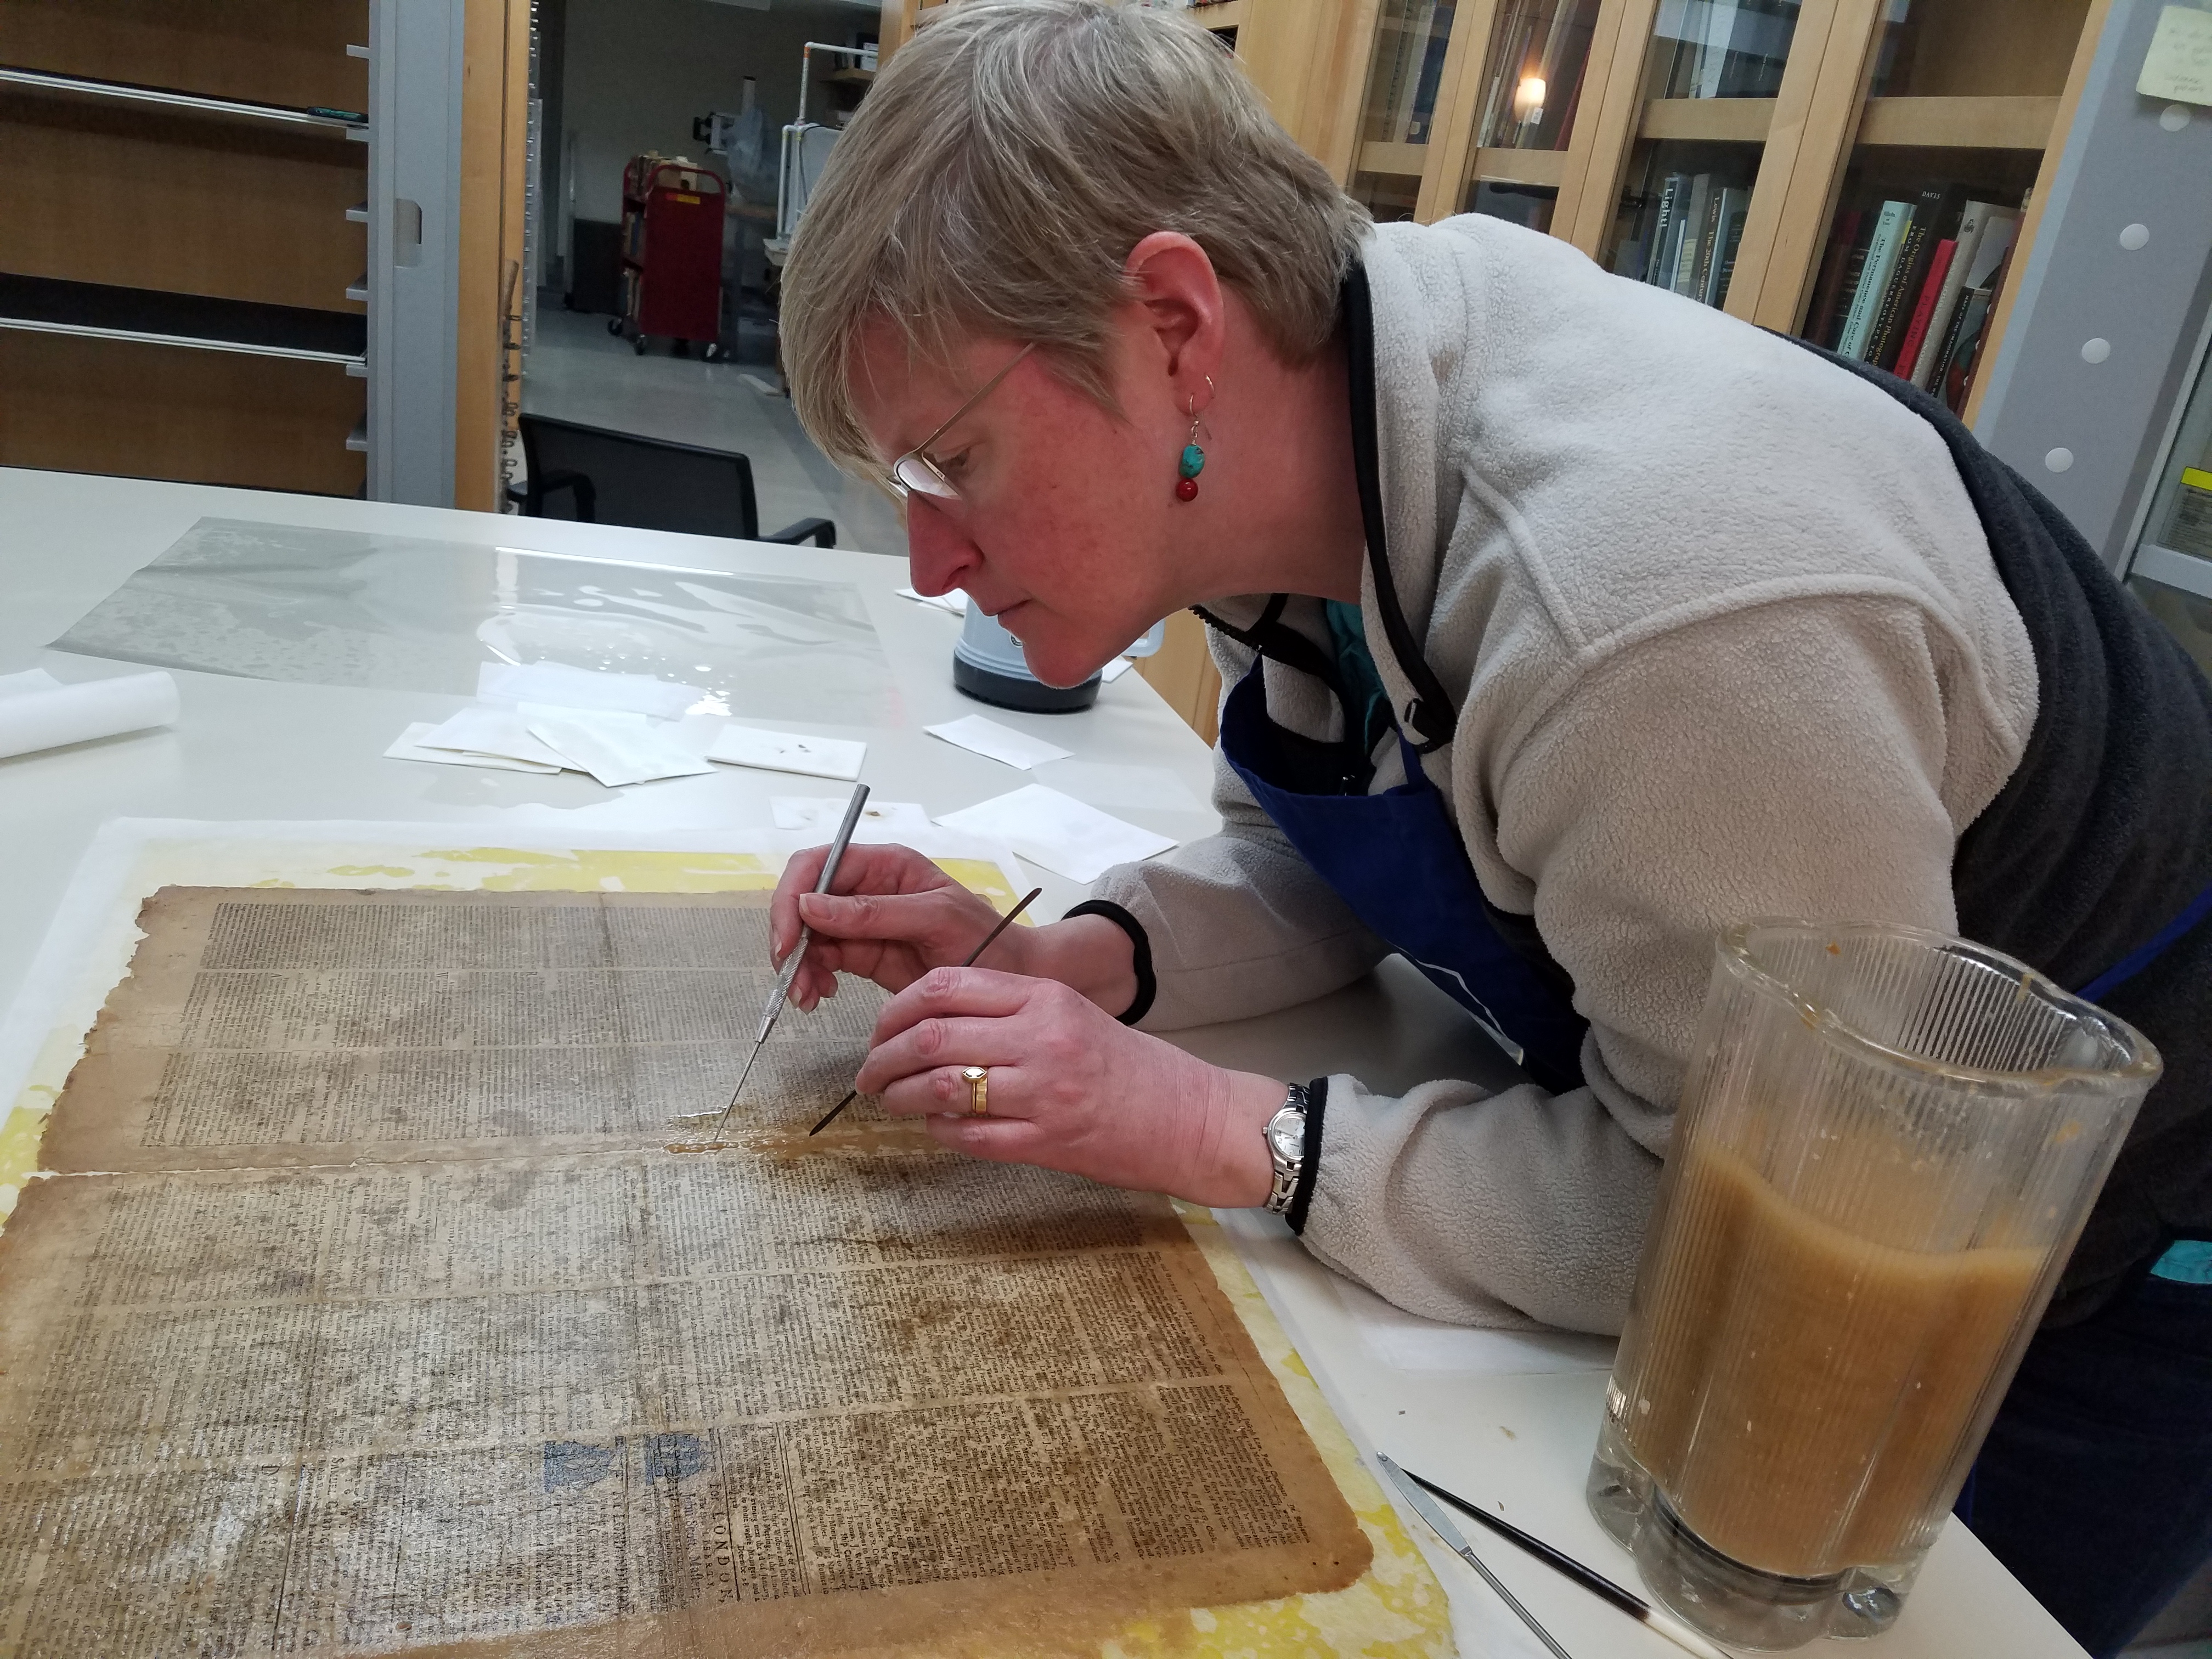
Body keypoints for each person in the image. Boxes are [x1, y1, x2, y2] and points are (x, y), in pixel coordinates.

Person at [772, 2, 2212, 1651]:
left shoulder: (1651, 614)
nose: (928, 569)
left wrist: (1223, 1132)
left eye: (950, 460)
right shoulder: (1301, 450)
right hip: (1746, 1084)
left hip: (2105, 1228)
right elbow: (1341, 850)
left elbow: (1735, 1230)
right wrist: (1081, 959)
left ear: (1175, 324)